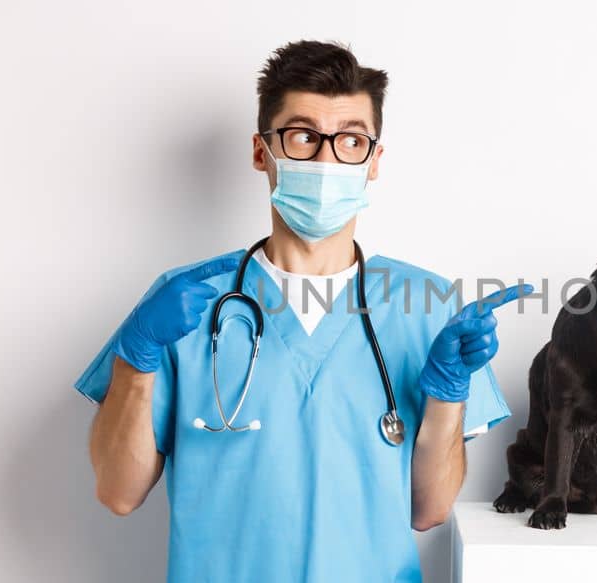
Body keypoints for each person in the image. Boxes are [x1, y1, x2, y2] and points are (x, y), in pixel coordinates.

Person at [73, 40, 529, 582]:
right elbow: (118, 493)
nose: (327, 158)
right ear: (262, 151)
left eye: (351, 140)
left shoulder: (429, 305)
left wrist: (448, 395)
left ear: (374, 160)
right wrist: (137, 355)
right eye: (304, 136)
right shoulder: (184, 299)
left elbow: (427, 511)